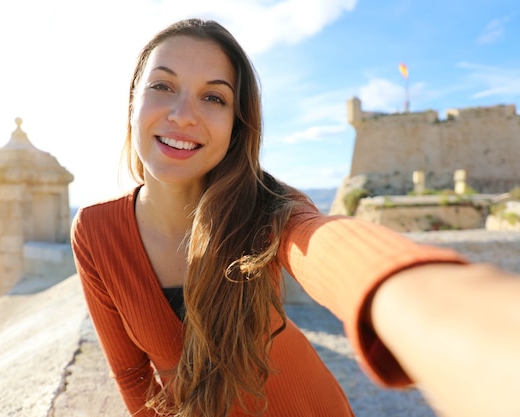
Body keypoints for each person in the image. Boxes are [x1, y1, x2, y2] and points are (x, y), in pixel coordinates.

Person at [70, 18, 520, 417]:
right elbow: (133, 377)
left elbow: (327, 247)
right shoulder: (93, 233)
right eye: (162, 86)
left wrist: (425, 300)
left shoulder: (266, 206)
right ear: (133, 100)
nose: (183, 115)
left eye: (213, 97)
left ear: (236, 125)